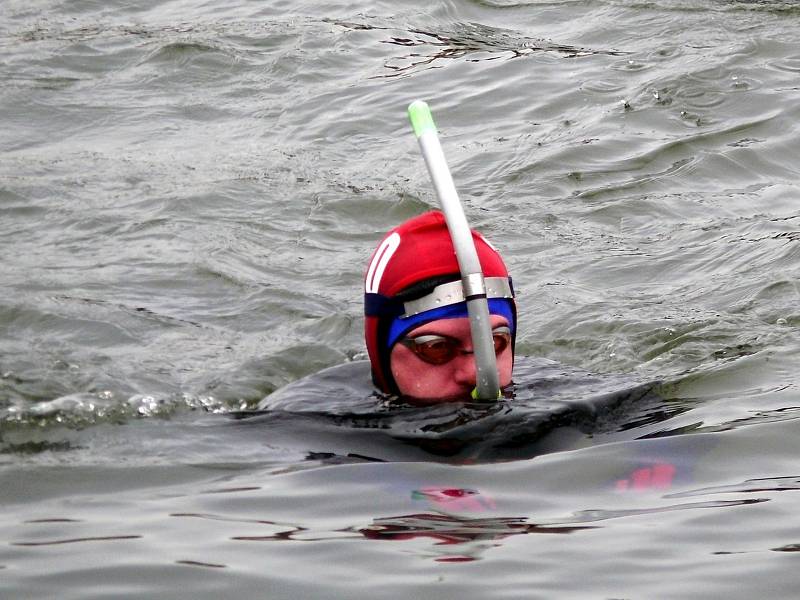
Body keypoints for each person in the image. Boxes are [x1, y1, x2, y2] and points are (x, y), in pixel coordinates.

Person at [364, 210, 516, 404]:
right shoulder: (323, 428)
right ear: (381, 354)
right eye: (437, 347)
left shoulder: (560, 407)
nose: (474, 375)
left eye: (494, 342)